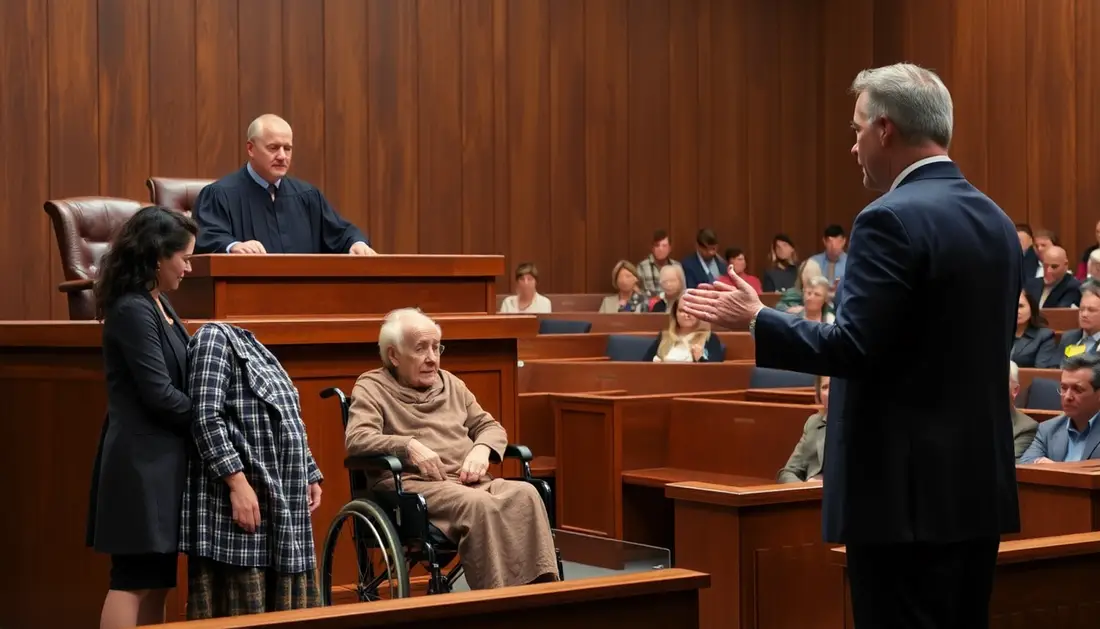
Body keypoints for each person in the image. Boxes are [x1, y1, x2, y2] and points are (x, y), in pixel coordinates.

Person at [681, 63, 1020, 628]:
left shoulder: (888, 218)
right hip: (974, 493)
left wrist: (758, 317)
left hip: (900, 502)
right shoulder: (996, 220)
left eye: (857, 128)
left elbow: (856, 347)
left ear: (885, 130)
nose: (853, 145)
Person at [345, 308, 560, 589]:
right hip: (414, 485)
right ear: (394, 355)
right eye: (420, 349)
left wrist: (481, 449)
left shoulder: (451, 384)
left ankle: (542, 591)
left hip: (467, 481)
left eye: (436, 347)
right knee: (480, 506)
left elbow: (490, 427)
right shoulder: (372, 386)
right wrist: (408, 446)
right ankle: (496, 600)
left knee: (528, 493)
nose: (432, 358)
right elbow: (357, 438)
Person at [87, 206, 197, 629]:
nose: (188, 267)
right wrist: (208, 420)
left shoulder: (159, 303)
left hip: (163, 463)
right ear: (156, 256)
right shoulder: (133, 309)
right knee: (132, 580)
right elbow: (159, 394)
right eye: (183, 257)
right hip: (139, 467)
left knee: (158, 581)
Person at [180, 322, 324, 618]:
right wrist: (237, 484)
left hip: (285, 506)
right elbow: (205, 417)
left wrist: (309, 469)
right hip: (239, 511)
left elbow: (289, 415)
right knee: (242, 609)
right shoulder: (216, 337)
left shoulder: (257, 349)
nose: (189, 270)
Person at [192, 113, 374, 255]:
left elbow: (341, 233)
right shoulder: (219, 195)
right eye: (273, 148)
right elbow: (205, 238)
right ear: (251, 149)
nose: (282, 156)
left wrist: (356, 243)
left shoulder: (307, 196)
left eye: (287, 148)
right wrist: (233, 246)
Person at [1020, 353, 1100, 464]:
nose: (1067, 397)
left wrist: (1056, 469)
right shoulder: (1048, 429)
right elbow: (1025, 462)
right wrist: (1039, 461)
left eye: (1078, 389)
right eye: (1064, 388)